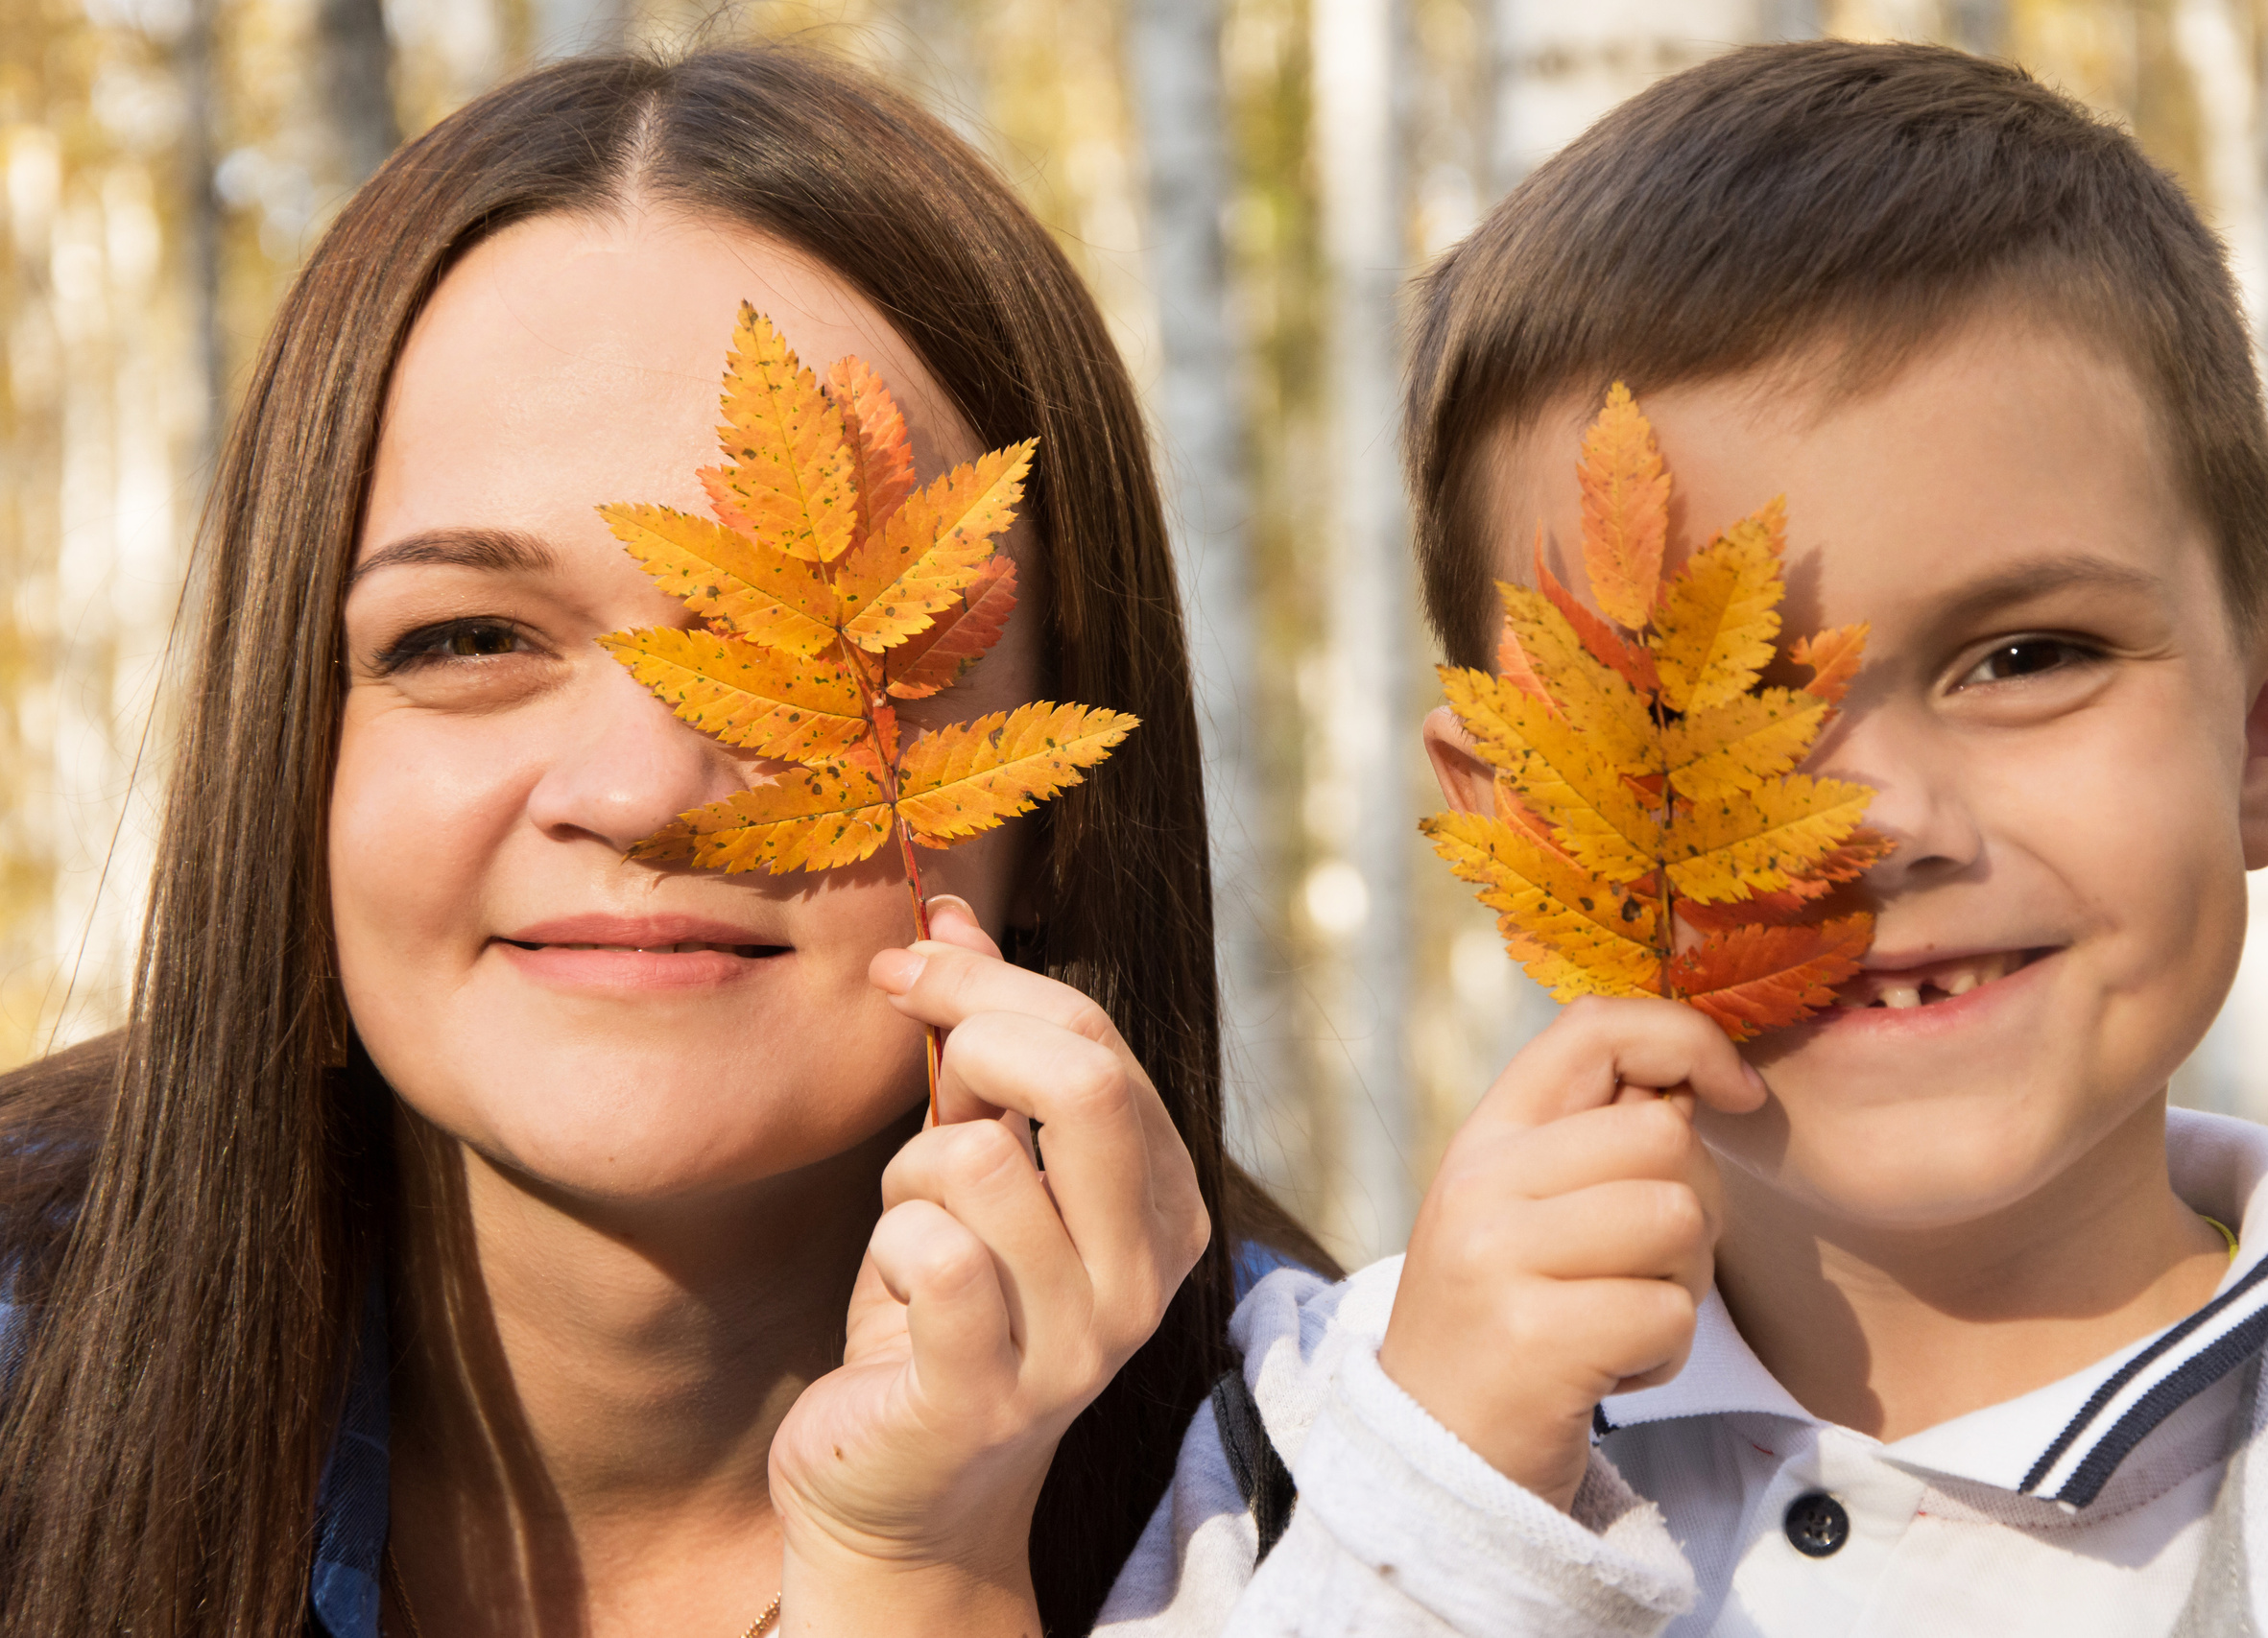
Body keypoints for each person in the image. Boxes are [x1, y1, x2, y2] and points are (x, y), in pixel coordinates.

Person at [1096, 41, 2268, 1637]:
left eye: (2029, 657)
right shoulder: (1315, 1444)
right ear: (1527, 825)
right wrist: (1439, 1524)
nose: (1880, 824)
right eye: (1708, 722)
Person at [0, 46, 1330, 1638]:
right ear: (291, 752)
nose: (640, 794)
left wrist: (924, 1575)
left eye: (804, 660)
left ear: (1058, 802)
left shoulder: (1386, 1516)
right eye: (468, 637)